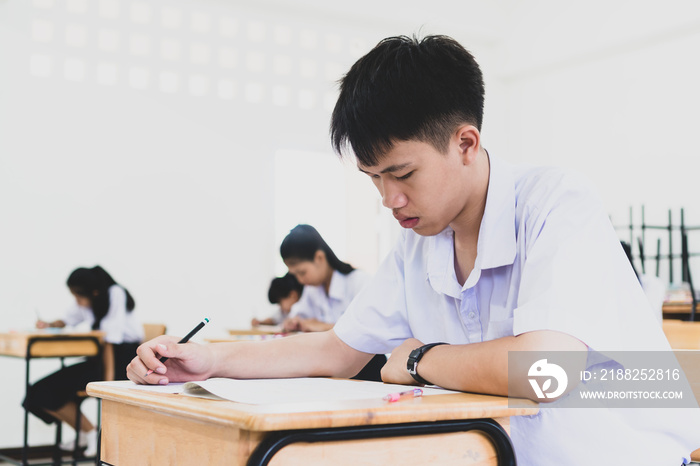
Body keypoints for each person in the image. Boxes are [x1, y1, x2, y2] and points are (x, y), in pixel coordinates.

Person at [127, 35, 698, 465]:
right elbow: (334, 352)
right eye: (374, 178)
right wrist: (207, 360)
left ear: (465, 143)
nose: (388, 198)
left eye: (401, 173)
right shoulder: (418, 241)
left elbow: (548, 372)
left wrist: (421, 359)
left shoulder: (556, 202)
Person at [27, 266, 143, 456]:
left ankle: (91, 434)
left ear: (94, 293)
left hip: (122, 360)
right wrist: (48, 324)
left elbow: (109, 340)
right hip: (99, 358)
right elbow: (67, 319)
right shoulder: (89, 301)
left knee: (48, 390)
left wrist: (107, 382)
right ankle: (86, 432)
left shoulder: (115, 294)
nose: (77, 301)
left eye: (78, 296)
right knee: (37, 392)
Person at [279, 224, 368, 333]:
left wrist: (324, 326)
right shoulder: (312, 289)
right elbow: (298, 314)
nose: (300, 280)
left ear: (319, 257)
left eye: (302, 273)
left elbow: (368, 329)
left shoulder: (359, 282)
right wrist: (293, 322)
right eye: (295, 275)